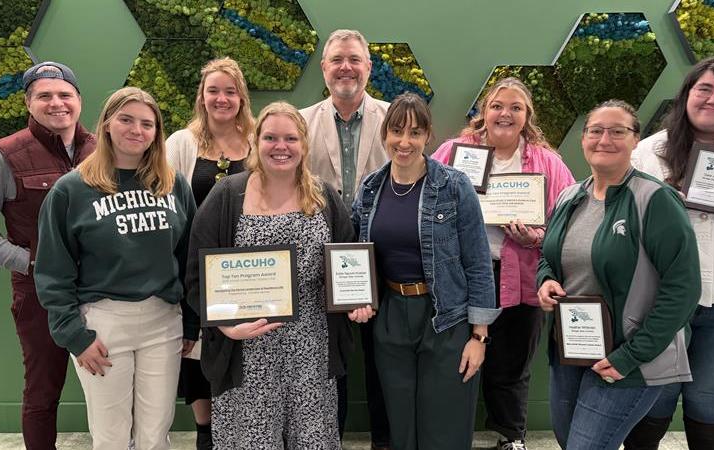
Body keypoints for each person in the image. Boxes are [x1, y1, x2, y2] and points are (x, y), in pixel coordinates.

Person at [185, 101, 372, 449]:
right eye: (270, 137)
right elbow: (197, 276)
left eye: (290, 138)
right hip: (247, 349)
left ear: (304, 144)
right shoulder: (227, 195)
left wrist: (356, 301)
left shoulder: (324, 197)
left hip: (312, 350)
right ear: (257, 142)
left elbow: (348, 259)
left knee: (313, 441)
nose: (281, 147)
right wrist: (223, 324)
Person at [34, 87, 196, 450]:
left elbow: (189, 258)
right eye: (126, 119)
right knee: (111, 437)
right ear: (107, 124)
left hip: (163, 319)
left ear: (157, 133)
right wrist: (76, 336)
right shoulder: (71, 190)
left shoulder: (172, 183)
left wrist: (190, 320)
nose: (136, 130)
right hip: (104, 324)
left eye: (147, 123)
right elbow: (52, 270)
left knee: (156, 434)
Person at [536, 99, 702, 450]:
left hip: (627, 358)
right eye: (596, 131)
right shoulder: (569, 196)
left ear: (634, 141)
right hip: (571, 350)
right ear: (583, 139)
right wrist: (545, 281)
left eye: (617, 131)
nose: (604, 139)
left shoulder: (655, 199)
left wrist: (630, 356)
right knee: (570, 442)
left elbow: (683, 289)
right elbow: (548, 257)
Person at [625, 56, 714, 450]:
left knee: (712, 397)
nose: (713, 99)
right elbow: (622, 211)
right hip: (662, 296)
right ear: (687, 95)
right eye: (704, 88)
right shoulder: (649, 152)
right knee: (655, 393)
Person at [431, 77, 575, 450]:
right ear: (484, 112)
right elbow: (423, 197)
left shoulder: (547, 162)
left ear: (527, 116)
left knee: (511, 368)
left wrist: (537, 237)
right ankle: (448, 436)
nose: (505, 114)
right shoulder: (455, 153)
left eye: (515, 107)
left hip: (521, 278)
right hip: (460, 277)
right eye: (497, 105)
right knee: (453, 360)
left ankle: (511, 438)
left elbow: (568, 222)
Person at [352, 92, 500, 450]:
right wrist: (357, 296)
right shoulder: (371, 188)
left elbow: (478, 262)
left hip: (445, 318)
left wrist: (479, 337)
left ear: (428, 137)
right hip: (390, 317)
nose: (404, 142)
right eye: (397, 131)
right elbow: (354, 255)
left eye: (415, 133)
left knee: (444, 428)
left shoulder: (453, 185)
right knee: (401, 426)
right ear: (385, 134)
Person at [0, 61, 95, 450]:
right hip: (39, 295)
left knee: (112, 386)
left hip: (104, 288)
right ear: (29, 103)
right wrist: (30, 263)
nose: (57, 103)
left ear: (79, 101)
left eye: (64, 95)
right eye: (45, 96)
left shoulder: (103, 149)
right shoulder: (2, 157)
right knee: (43, 391)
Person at [300, 28, 390, 448]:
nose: (345, 67)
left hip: (385, 255)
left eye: (354, 59)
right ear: (324, 68)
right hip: (318, 258)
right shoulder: (301, 122)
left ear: (368, 67)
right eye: (336, 59)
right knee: (328, 359)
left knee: (381, 359)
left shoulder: (394, 120)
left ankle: (384, 440)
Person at [166, 56, 255, 450]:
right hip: (196, 268)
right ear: (201, 97)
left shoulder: (257, 139)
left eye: (230, 91)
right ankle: (206, 434)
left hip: (250, 271)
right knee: (199, 353)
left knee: (244, 350)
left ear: (241, 97)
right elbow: (166, 204)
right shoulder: (183, 143)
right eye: (213, 90)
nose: (221, 98)